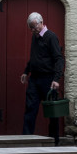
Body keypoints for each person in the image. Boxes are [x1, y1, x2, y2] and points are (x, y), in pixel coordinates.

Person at [20, 11, 64, 144]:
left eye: (34, 27)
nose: (33, 30)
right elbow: (34, 57)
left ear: (41, 22)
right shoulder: (35, 36)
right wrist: (26, 71)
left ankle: (54, 141)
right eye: (31, 28)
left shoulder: (51, 37)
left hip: (49, 80)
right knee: (30, 109)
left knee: (52, 112)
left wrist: (56, 79)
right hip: (35, 79)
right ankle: (25, 141)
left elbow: (58, 59)